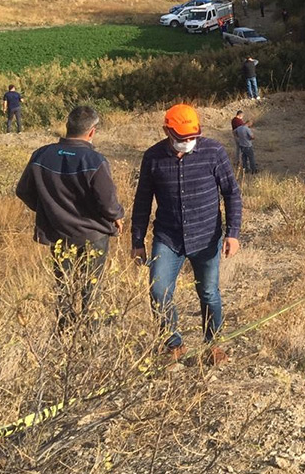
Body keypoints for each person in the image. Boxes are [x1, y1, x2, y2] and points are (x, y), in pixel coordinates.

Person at [131, 104, 241, 364]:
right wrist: (137, 241)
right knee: (159, 291)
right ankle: (173, 346)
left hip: (206, 236)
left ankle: (213, 344)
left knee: (209, 293)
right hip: (168, 238)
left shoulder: (213, 152)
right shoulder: (153, 157)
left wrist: (233, 233)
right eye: (182, 138)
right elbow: (143, 200)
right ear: (167, 131)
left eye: (192, 137)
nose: (188, 142)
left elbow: (231, 192)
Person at [16, 106, 124, 331]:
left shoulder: (41, 155)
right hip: (92, 235)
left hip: (57, 233)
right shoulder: (94, 160)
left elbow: (23, 191)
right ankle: (89, 337)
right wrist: (117, 217)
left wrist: (47, 209)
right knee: (90, 289)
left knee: (62, 287)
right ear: (92, 132)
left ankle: (64, 333)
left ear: (67, 127)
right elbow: (107, 203)